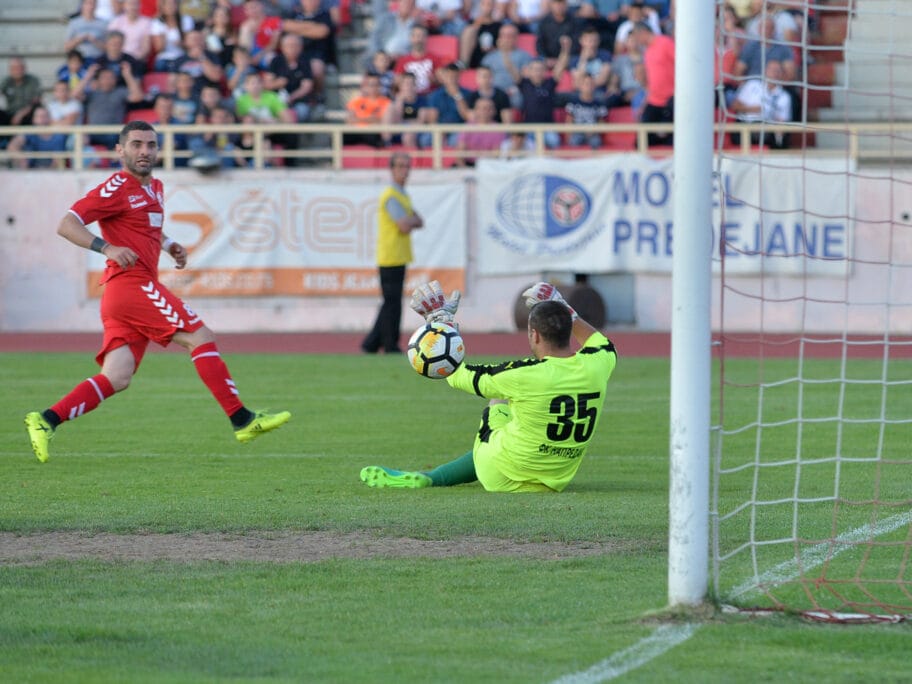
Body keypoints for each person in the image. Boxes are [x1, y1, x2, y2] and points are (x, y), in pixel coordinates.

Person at [23, 121, 291, 463]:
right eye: (136, 144)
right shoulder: (116, 186)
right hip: (131, 284)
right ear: (120, 150)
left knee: (117, 377)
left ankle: (45, 420)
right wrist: (106, 248)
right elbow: (67, 224)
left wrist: (168, 244)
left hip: (123, 294)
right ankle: (242, 419)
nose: (144, 151)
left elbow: (146, 226)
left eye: (150, 145)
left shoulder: (156, 187)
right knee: (200, 336)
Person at [360, 280, 617, 492]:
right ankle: (434, 476)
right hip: (556, 479)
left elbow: (455, 374)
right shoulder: (599, 363)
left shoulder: (522, 375)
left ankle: (432, 477)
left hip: (501, 477)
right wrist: (564, 308)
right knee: (518, 416)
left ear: (534, 334)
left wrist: (440, 321)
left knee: (497, 400)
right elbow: (598, 341)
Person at [361, 152, 424, 355]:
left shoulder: (401, 195)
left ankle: (371, 343)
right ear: (392, 169)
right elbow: (406, 224)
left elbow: (418, 220)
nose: (404, 171)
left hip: (397, 254)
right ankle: (389, 344)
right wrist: (411, 220)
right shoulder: (391, 196)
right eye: (400, 166)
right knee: (392, 303)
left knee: (391, 301)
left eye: (407, 166)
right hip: (390, 255)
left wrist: (412, 220)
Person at [630, 20, 674, 147]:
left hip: (672, 99)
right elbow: (652, 81)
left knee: (675, 139)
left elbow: (681, 64)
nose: (636, 41)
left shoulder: (665, 43)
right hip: (654, 100)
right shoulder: (648, 51)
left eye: (636, 37)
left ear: (643, 33)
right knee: (641, 142)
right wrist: (644, 103)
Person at [6, 106, 70, 169]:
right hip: (29, 172)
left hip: (50, 174)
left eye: (44, 116)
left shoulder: (57, 136)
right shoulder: (29, 133)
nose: (41, 119)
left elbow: (57, 160)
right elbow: (12, 146)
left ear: (49, 118)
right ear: (34, 119)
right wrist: (21, 158)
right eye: (39, 116)